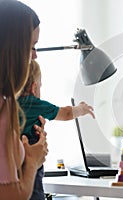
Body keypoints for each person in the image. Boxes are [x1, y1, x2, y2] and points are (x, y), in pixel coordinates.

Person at [18, 59, 95, 199]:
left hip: (15, 158)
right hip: (31, 156)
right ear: (34, 87)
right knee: (35, 190)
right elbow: (65, 113)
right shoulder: (35, 104)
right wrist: (81, 109)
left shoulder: (10, 104)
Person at [0, 0, 48, 199]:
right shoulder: (4, 108)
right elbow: (12, 195)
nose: (35, 56)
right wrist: (32, 161)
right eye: (32, 47)